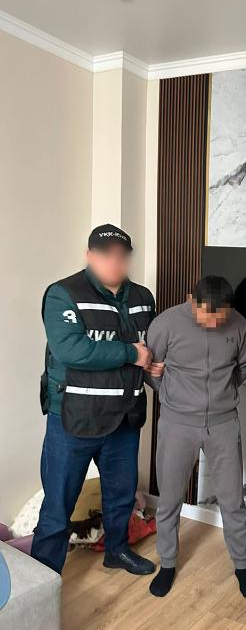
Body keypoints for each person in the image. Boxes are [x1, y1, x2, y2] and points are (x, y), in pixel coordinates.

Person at [32, 224, 159, 576]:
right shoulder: (63, 293)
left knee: (121, 495)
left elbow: (148, 348)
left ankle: (116, 551)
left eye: (121, 255)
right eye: (105, 255)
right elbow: (71, 349)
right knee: (58, 504)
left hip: (125, 418)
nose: (114, 262)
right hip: (74, 419)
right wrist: (131, 354)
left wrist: (152, 364)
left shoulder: (143, 297)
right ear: (89, 256)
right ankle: (44, 578)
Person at [146, 276, 246, 599]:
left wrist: (220, 398)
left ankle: (242, 566)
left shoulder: (240, 326)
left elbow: (243, 369)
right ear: (190, 300)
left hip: (223, 424)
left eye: (218, 317)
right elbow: (152, 371)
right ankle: (168, 564)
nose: (211, 323)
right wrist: (171, 395)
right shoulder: (165, 324)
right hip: (177, 423)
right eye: (204, 314)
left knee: (233, 500)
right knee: (169, 498)